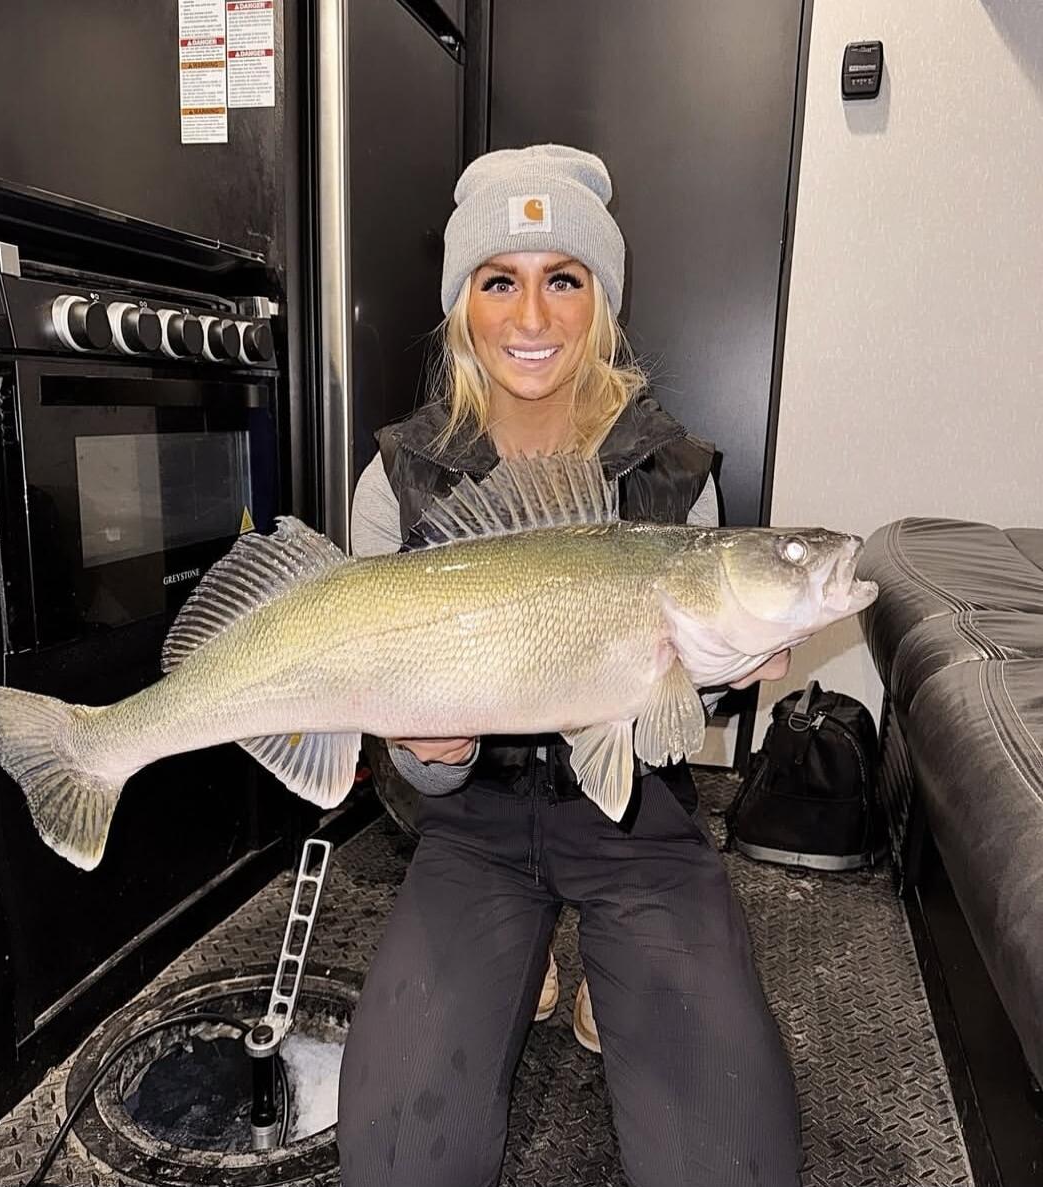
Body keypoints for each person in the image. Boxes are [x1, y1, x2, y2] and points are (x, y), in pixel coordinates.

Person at [337, 143, 800, 1187]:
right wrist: (429, 751)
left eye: (564, 280)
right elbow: (406, 748)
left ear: (603, 300)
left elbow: (687, 720)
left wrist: (722, 677)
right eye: (500, 280)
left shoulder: (676, 478)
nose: (533, 318)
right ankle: (533, 950)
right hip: (473, 828)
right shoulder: (394, 481)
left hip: (638, 818)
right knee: (395, 1165)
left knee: (734, 1164)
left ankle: (610, 964)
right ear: (464, 303)